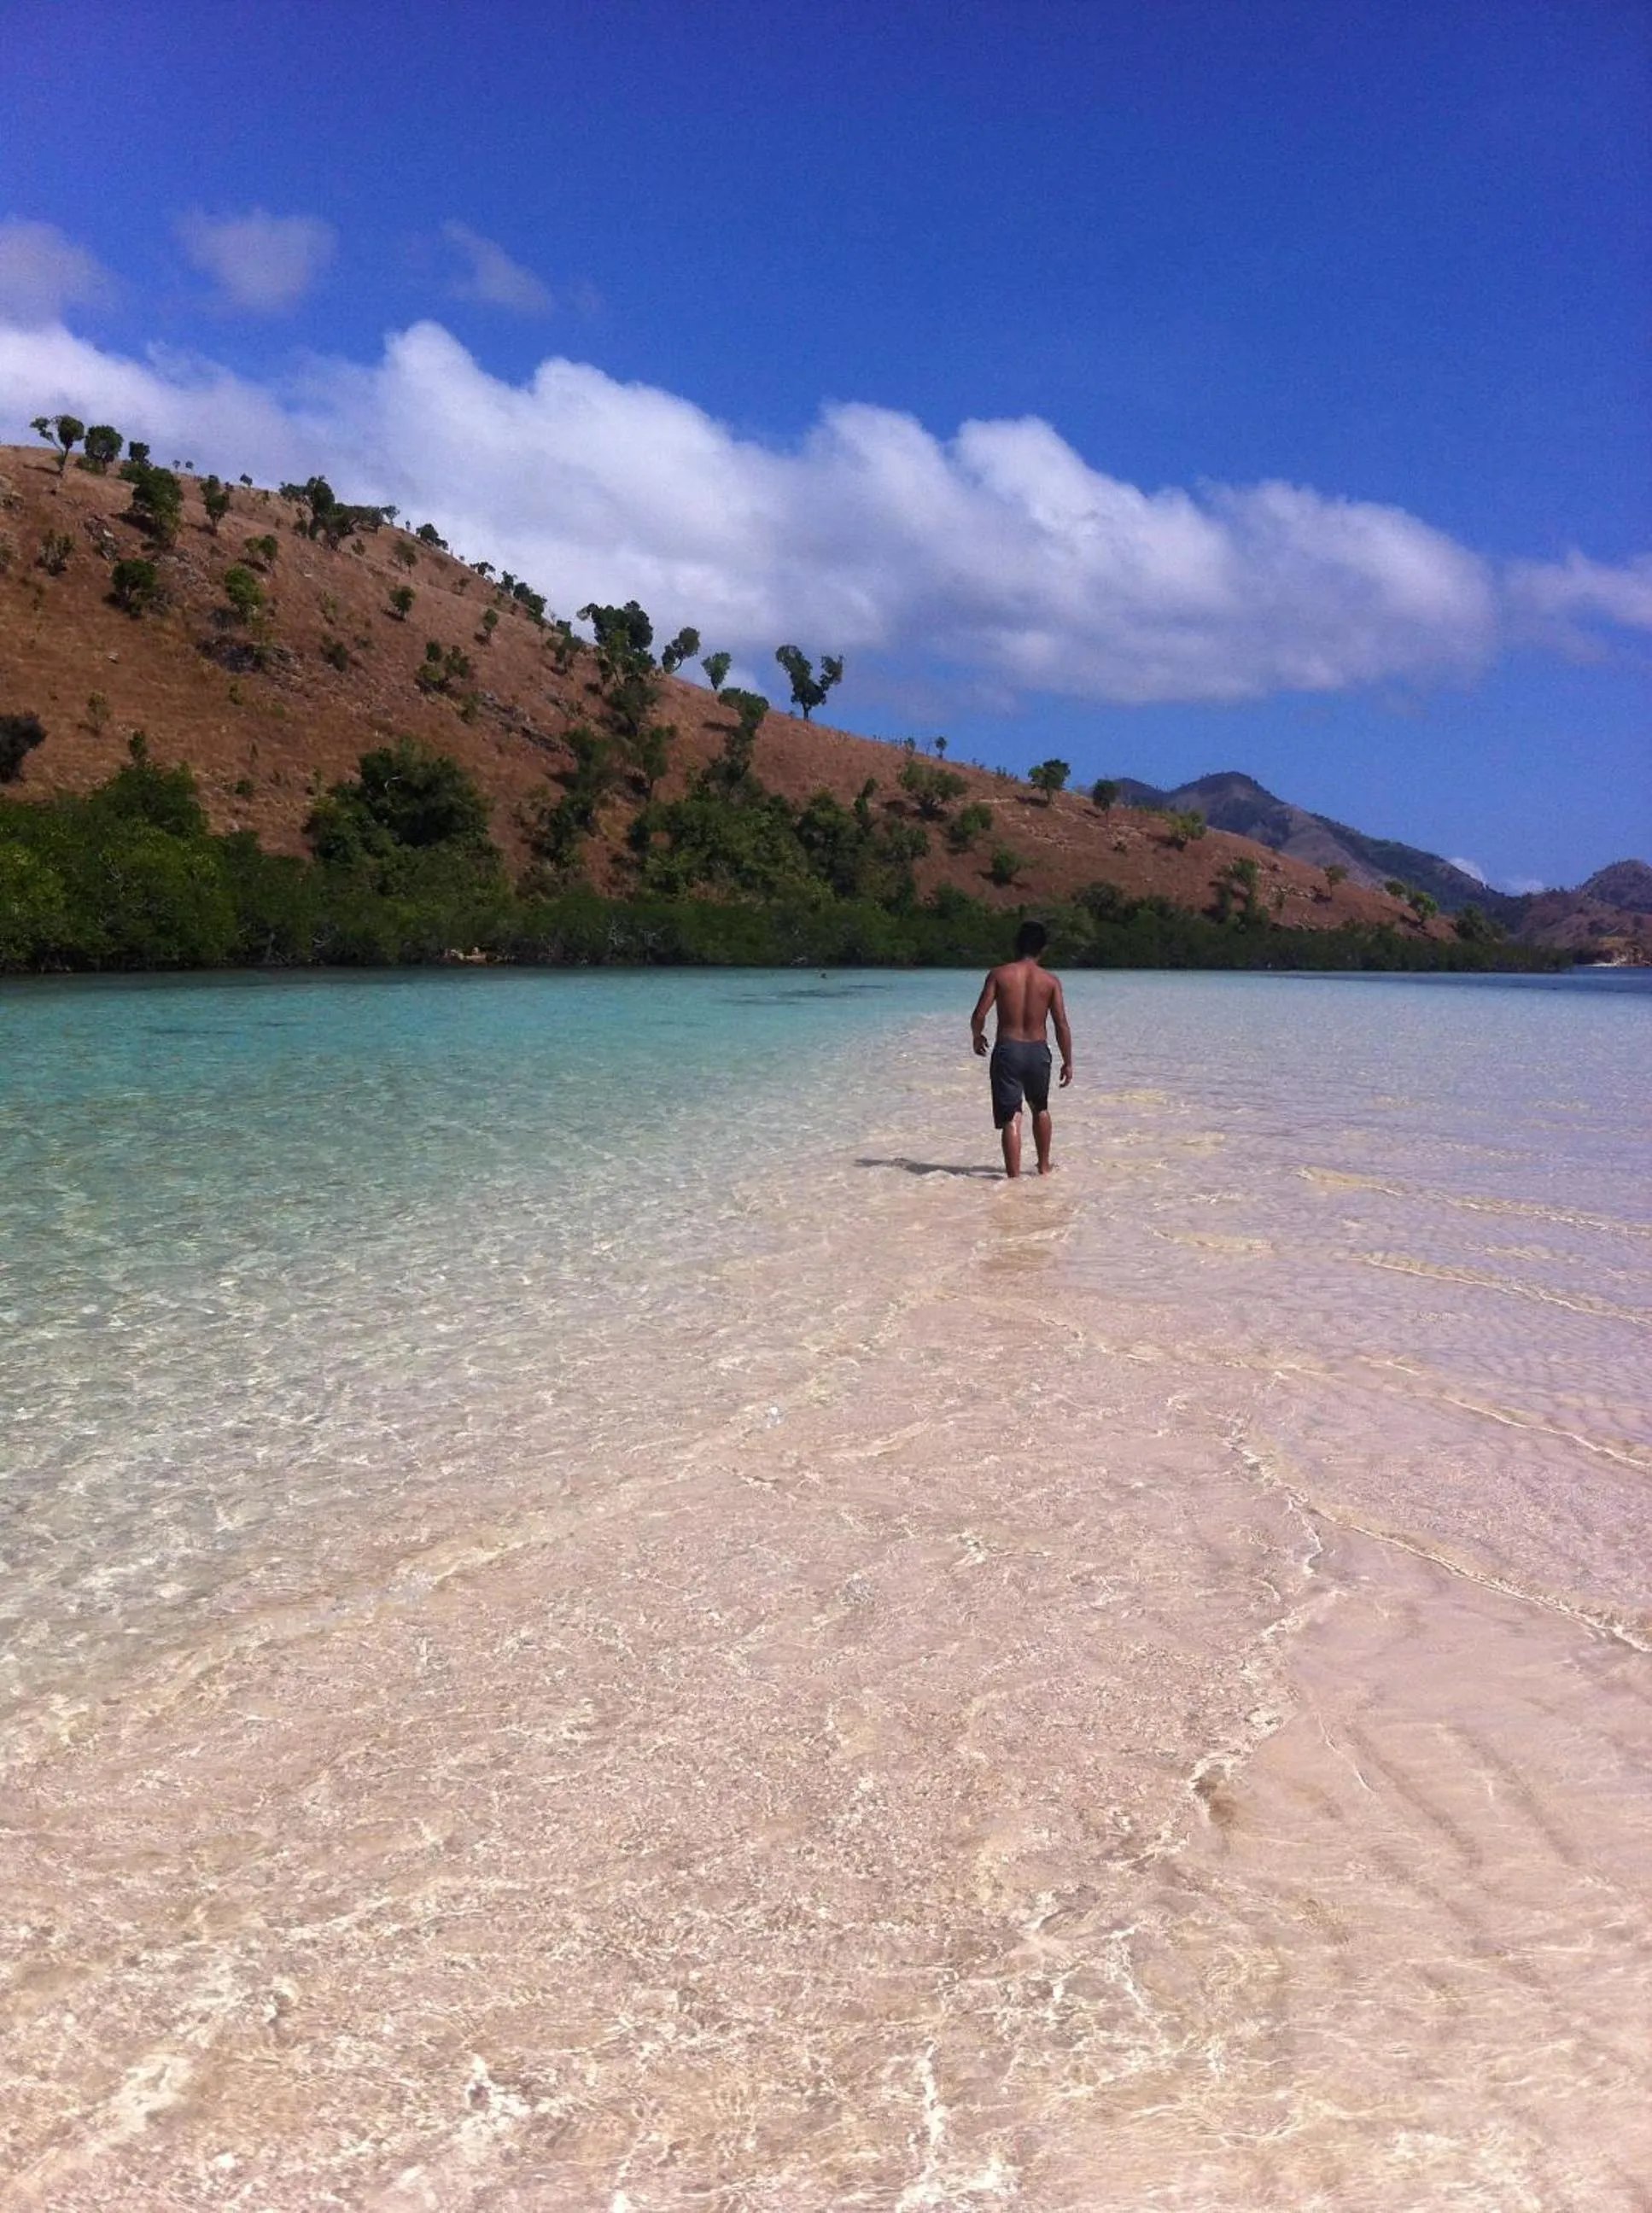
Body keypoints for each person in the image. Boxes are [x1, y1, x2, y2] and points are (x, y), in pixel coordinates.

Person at [970, 920, 1073, 1177]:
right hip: (1038, 1051)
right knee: (1041, 1107)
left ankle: (1014, 1178)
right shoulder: (1050, 981)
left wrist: (977, 1036)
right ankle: (1044, 1166)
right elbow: (1061, 1023)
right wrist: (1068, 1061)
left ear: (1016, 945)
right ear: (1043, 948)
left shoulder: (1000, 975)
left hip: (1008, 1049)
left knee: (1012, 1116)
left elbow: (979, 1014)